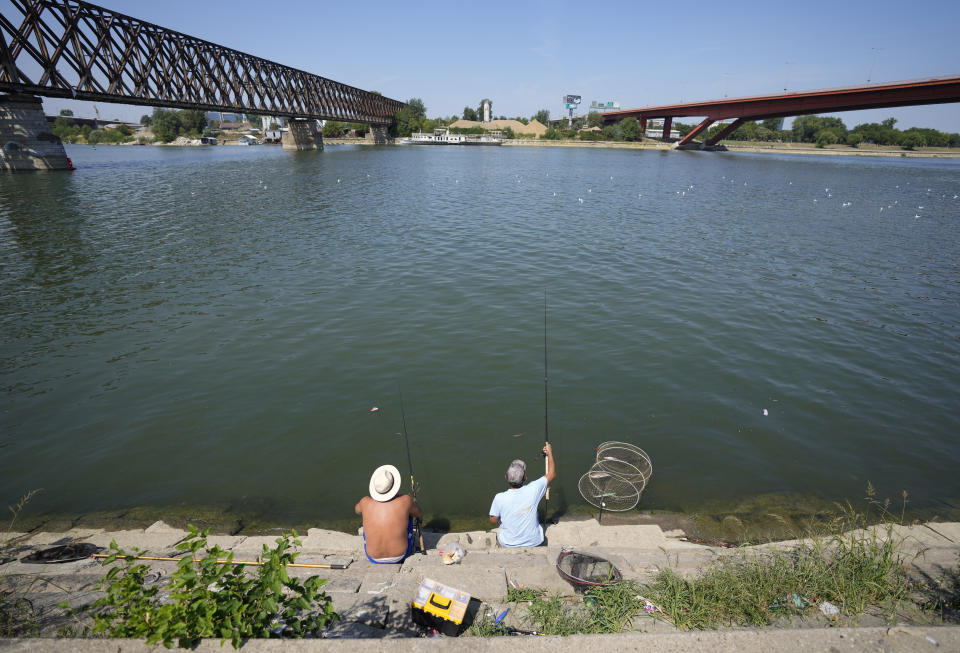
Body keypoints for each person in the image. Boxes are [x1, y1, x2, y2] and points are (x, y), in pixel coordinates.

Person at [489, 442, 556, 547]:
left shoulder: (499, 497)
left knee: (500, 522)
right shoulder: (534, 489)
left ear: (506, 477)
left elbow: (493, 520)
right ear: (525, 478)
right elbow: (552, 473)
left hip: (508, 543)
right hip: (535, 542)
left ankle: (503, 547)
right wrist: (550, 452)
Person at [355, 464, 422, 564]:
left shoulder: (365, 502)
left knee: (367, 517)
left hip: (373, 557)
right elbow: (418, 513)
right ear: (394, 486)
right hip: (400, 556)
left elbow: (357, 510)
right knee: (409, 514)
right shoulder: (405, 500)